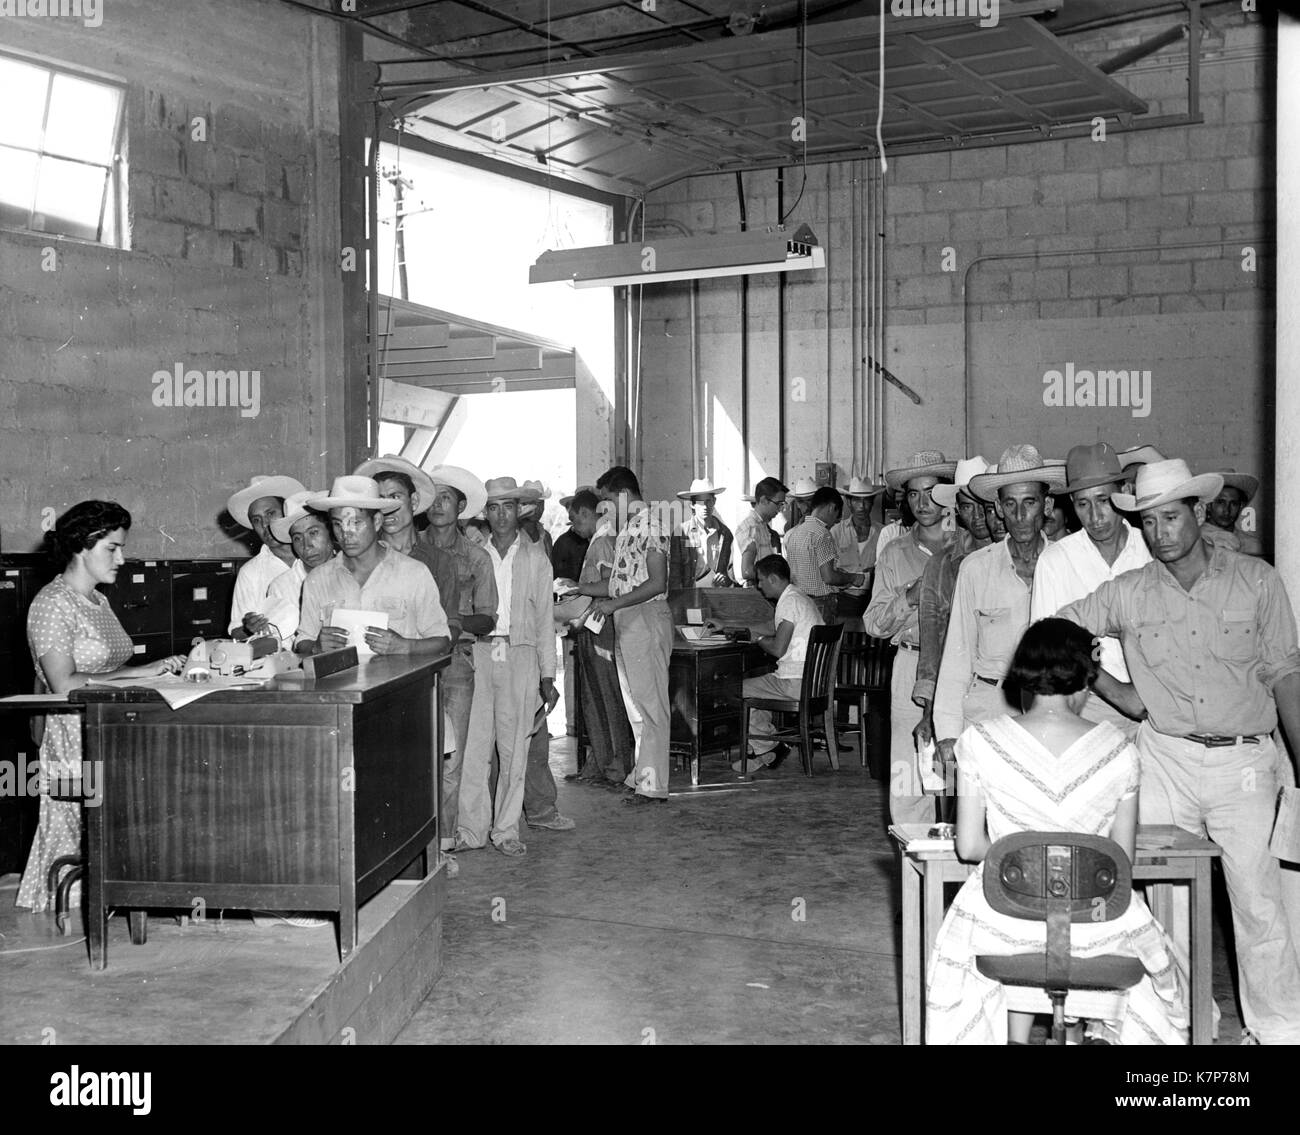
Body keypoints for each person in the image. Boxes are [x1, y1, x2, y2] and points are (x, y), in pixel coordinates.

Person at [1057, 458, 1300, 1044]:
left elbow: (1286, 674)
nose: (1160, 532)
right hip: (1165, 758)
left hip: (1244, 764)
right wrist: (1115, 690)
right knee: (1167, 905)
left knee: (1257, 902)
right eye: (1149, 522)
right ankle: (1186, 1024)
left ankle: (1281, 1030)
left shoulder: (1257, 580)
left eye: (1171, 517)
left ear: (1197, 511)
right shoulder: (1129, 592)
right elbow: (1059, 629)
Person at [925, 618, 1188, 1045]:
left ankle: (1009, 1035)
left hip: (1006, 919)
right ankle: (1096, 1032)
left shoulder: (979, 742)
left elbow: (970, 845)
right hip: (1097, 924)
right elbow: (1122, 858)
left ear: (1023, 674)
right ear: (1087, 677)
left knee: (954, 951)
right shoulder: (1121, 751)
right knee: (1165, 967)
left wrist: (1028, 863)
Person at [17, 502, 186, 911]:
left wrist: (155, 672)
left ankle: (143, 886)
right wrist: (140, 672)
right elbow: (64, 683)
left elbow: (112, 667)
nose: (122, 559)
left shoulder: (98, 600)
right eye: (112, 549)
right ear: (82, 547)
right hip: (76, 739)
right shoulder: (51, 603)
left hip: (112, 726)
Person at [932, 445, 1067, 766]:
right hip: (986, 712)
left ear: (1047, 506)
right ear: (998, 507)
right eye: (1010, 503)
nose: (1020, 516)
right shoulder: (976, 569)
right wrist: (948, 732)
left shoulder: (1067, 564)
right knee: (981, 813)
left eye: (1029, 502)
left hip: (1052, 713)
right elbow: (956, 655)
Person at [456, 477, 558, 856]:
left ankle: (507, 831)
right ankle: (470, 830)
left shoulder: (535, 558)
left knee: (515, 748)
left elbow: (546, 619)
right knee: (474, 747)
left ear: (520, 511)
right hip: (479, 653)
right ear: (486, 512)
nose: (501, 515)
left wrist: (548, 675)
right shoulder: (471, 553)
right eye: (494, 507)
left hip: (521, 655)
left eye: (508, 507)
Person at [1031, 442, 1154, 739]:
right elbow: (1049, 647)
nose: (1095, 517)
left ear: (1124, 491)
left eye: (1103, 500)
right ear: (1071, 503)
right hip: (1088, 707)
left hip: (1157, 708)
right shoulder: (1056, 561)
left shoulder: (1152, 548)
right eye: (1083, 504)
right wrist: (1114, 689)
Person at [864, 451, 956, 824]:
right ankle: (915, 874)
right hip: (909, 661)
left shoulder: (967, 546)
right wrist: (910, 597)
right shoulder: (894, 553)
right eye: (914, 494)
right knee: (909, 773)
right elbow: (873, 623)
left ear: (947, 494)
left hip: (957, 667)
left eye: (932, 492)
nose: (923, 503)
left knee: (956, 773)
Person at [419, 465, 495, 877]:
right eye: (432, 497)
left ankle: (444, 841)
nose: (438, 505)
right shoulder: (408, 550)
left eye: (446, 498)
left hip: (458, 663)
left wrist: (450, 626)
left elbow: (488, 619)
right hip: (414, 662)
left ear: (462, 507)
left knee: (452, 757)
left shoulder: (476, 558)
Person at [295, 475, 450, 658]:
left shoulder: (415, 573)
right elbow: (303, 641)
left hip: (400, 685)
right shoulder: (318, 579)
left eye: (356, 523)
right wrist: (315, 647)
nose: (346, 534)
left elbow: (442, 642)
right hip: (340, 685)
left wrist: (406, 646)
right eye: (338, 524)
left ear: (377, 522)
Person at [590, 465, 674, 806]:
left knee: (651, 705)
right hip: (628, 619)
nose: (604, 509)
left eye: (607, 501)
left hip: (646, 618)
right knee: (637, 706)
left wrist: (613, 605)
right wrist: (577, 588)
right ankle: (642, 777)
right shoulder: (628, 528)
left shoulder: (651, 523)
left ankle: (653, 787)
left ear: (624, 495)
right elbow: (618, 582)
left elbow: (657, 583)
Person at [912, 457, 993, 750]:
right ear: (957, 510)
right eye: (968, 506)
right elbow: (932, 647)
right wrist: (929, 713)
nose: (979, 515)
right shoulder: (941, 566)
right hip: (959, 697)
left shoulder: (1027, 560)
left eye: (984, 504)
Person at [726, 554, 822, 773]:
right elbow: (774, 625)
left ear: (773, 579)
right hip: (812, 682)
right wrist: (738, 628)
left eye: (760, 580)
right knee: (757, 686)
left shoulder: (789, 602)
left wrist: (758, 640)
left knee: (735, 689)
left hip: (795, 683)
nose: (759, 586)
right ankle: (766, 749)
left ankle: (767, 747)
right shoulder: (798, 597)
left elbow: (778, 648)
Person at [568, 492, 635, 786]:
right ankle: (602, 762)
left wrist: (575, 587)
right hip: (593, 625)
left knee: (607, 697)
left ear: (585, 513)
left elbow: (610, 586)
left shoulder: (604, 541)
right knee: (596, 698)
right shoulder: (602, 539)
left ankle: (616, 766)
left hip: (602, 626)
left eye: (574, 519)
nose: (573, 527)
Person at [226, 474, 305, 639]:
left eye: (271, 513)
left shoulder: (312, 555)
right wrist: (249, 628)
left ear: (286, 514)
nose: (265, 525)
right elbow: (236, 632)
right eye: (256, 520)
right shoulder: (251, 572)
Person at [262, 490, 337, 645]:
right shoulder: (281, 587)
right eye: (297, 538)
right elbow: (279, 648)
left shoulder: (353, 571)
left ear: (331, 532)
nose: (306, 545)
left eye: (313, 533)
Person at [784, 487, 869, 623]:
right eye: (836, 516)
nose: (834, 522)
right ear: (831, 508)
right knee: (821, 643)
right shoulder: (822, 534)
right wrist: (852, 577)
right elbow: (829, 577)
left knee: (804, 642)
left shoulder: (794, 533)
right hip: (819, 604)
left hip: (798, 601)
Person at [831, 476, 885, 628]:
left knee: (870, 644)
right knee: (844, 644)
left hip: (873, 600)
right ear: (849, 502)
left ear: (872, 502)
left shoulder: (883, 532)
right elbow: (829, 570)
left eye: (866, 501)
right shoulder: (836, 532)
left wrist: (875, 572)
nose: (861, 506)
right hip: (843, 600)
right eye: (856, 500)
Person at [677, 478, 734, 586]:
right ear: (692, 505)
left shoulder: (725, 534)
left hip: (717, 596)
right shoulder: (681, 533)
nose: (705, 506)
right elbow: (675, 572)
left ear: (714, 501)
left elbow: (731, 570)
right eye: (700, 502)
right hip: (690, 595)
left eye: (708, 501)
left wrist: (724, 579)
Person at [732, 477, 787, 587]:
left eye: (783, 504)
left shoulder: (762, 526)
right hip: (753, 592)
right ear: (763, 500)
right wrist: (776, 577)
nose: (781, 509)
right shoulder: (751, 527)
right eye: (778, 504)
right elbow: (747, 571)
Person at [1203, 470, 1263, 556]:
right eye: (1221, 502)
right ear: (1208, 505)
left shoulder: (1252, 546)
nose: (1227, 510)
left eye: (1233, 504)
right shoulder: (1196, 541)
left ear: (1241, 506)